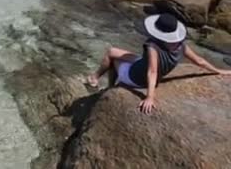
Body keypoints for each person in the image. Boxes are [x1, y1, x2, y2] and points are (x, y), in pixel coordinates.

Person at [86, 13, 231, 114]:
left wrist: (150, 97)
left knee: (113, 57)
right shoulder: (181, 45)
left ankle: (106, 84)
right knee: (114, 50)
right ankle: (96, 78)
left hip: (135, 78)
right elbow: (199, 61)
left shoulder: (152, 46)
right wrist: (218, 70)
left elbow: (152, 71)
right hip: (141, 65)